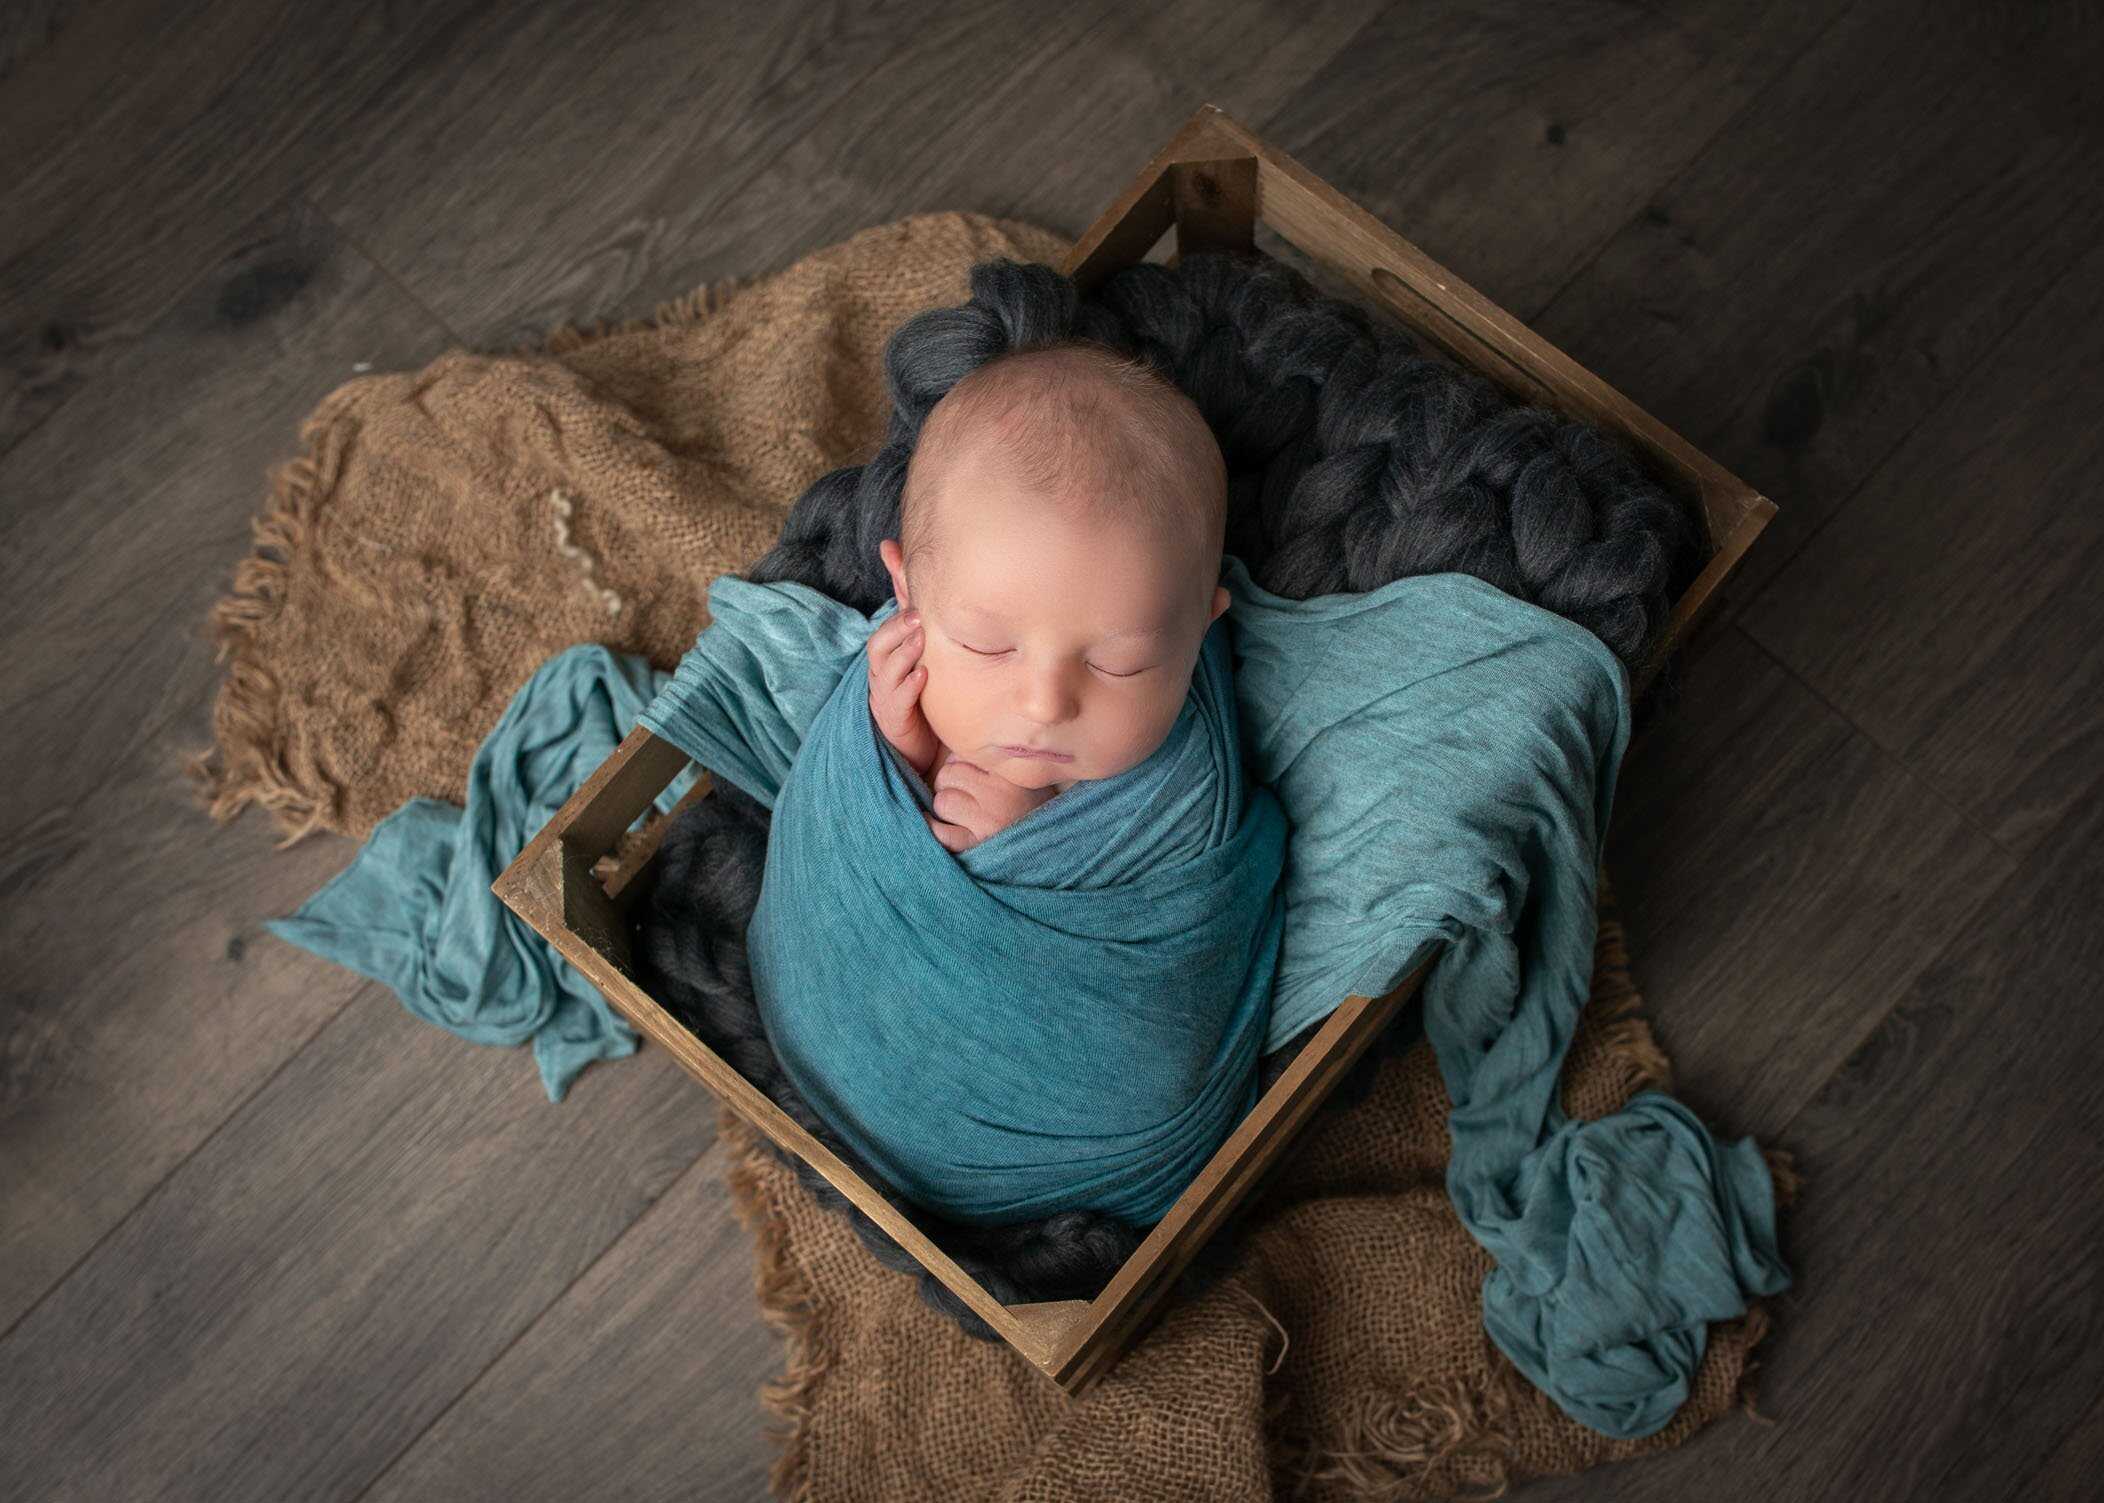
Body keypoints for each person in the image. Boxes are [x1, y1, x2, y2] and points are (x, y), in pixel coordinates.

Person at [866, 339, 1231, 853]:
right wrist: (903, 747)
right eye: (985, 646)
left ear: (1201, 629)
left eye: (1118, 664)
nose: (1044, 705)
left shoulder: (1181, 800)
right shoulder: (904, 686)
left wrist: (1033, 844)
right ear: (907, 592)